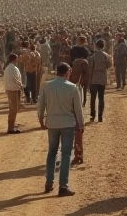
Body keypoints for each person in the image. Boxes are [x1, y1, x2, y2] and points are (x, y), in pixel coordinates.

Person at [38, 63, 85, 197]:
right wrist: (81, 125)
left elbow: (41, 104)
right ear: (68, 72)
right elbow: (78, 109)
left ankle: (49, 182)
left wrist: (40, 119)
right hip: (68, 124)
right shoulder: (72, 88)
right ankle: (63, 186)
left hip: (52, 124)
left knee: (51, 153)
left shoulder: (47, 86)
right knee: (66, 155)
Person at [88, 40, 112, 122]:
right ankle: (100, 116)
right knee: (101, 98)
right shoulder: (106, 55)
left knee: (93, 98)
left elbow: (90, 66)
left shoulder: (93, 55)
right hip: (102, 78)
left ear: (97, 46)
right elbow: (109, 64)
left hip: (94, 78)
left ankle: (92, 115)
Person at [3, 54, 24, 134]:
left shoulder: (8, 68)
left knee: (13, 108)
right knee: (13, 109)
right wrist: (20, 85)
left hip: (10, 89)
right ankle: (11, 128)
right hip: (13, 89)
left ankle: (12, 125)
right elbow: (14, 78)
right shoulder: (13, 68)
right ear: (14, 59)